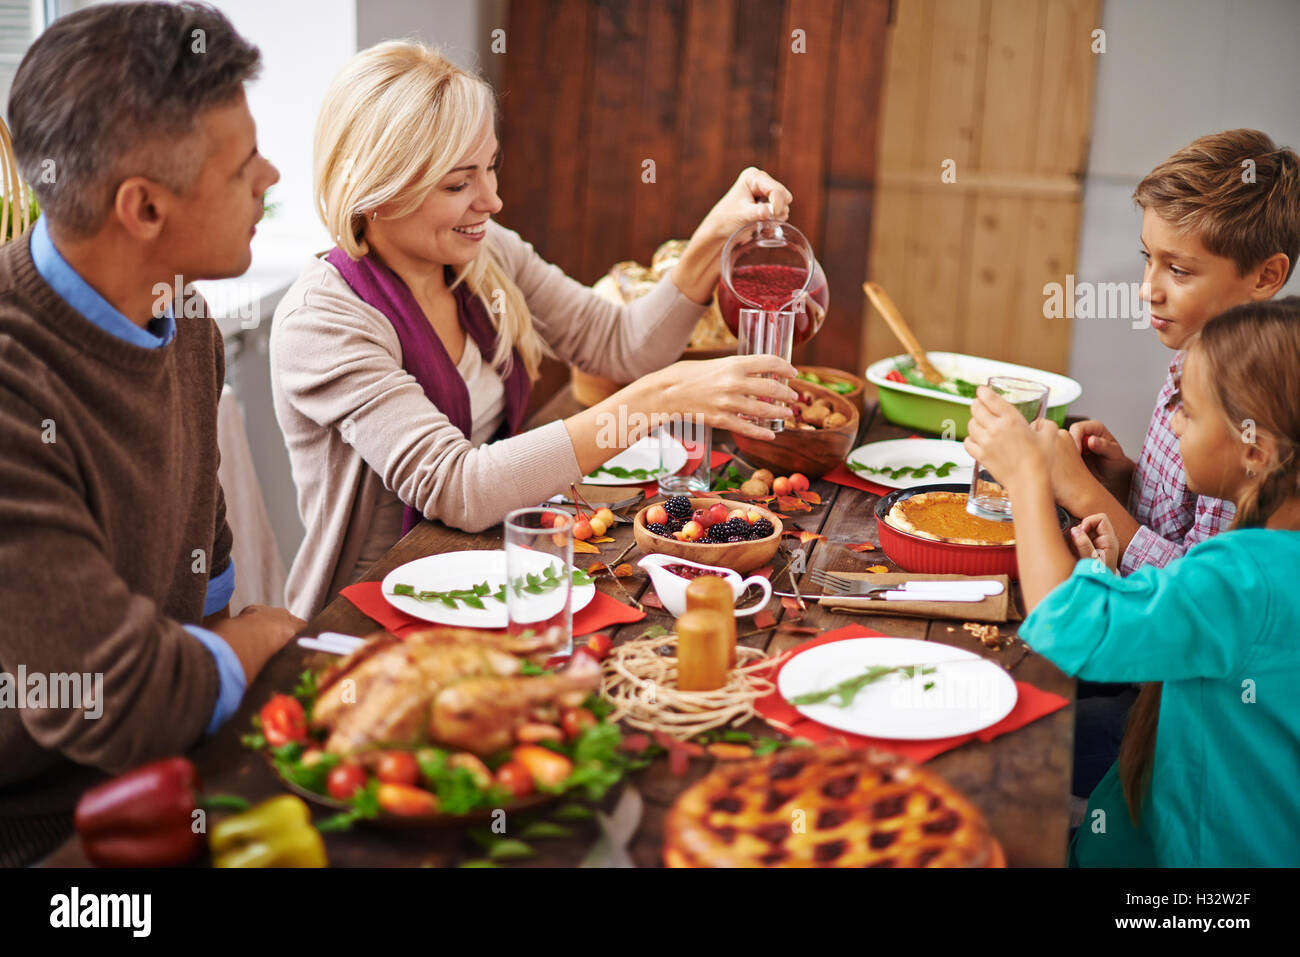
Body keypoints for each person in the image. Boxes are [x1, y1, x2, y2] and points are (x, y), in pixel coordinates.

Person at [271, 41, 802, 619]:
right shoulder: (324, 320)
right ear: (377, 190)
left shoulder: (483, 254)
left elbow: (620, 347)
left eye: (491, 167)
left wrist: (710, 239)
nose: (492, 200)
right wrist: (657, 400)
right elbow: (460, 487)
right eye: (458, 184)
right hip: (368, 615)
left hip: (487, 573)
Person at [0, 2, 302, 866]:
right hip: (49, 835)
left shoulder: (182, 310)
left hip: (176, 771)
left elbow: (199, 546)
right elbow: (109, 697)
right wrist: (246, 642)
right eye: (243, 167)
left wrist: (216, 646)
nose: (271, 174)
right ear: (142, 208)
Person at [965, 298, 1300, 867]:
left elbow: (1068, 628)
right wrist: (1101, 572)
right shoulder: (1264, 565)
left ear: (1255, 450)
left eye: (1188, 412)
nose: (1171, 423)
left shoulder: (1245, 579)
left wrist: (1024, 479)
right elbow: (1174, 628)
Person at [1045, 129, 1299, 798]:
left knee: (1037, 728)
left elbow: (1200, 587)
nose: (1149, 291)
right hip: (1151, 644)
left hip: (1183, 692)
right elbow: (1178, 520)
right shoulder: (1186, 362)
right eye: (1148, 260)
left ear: (1266, 277)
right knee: (1015, 668)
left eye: (1179, 270)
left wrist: (1082, 496)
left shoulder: (1251, 420)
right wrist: (1124, 478)